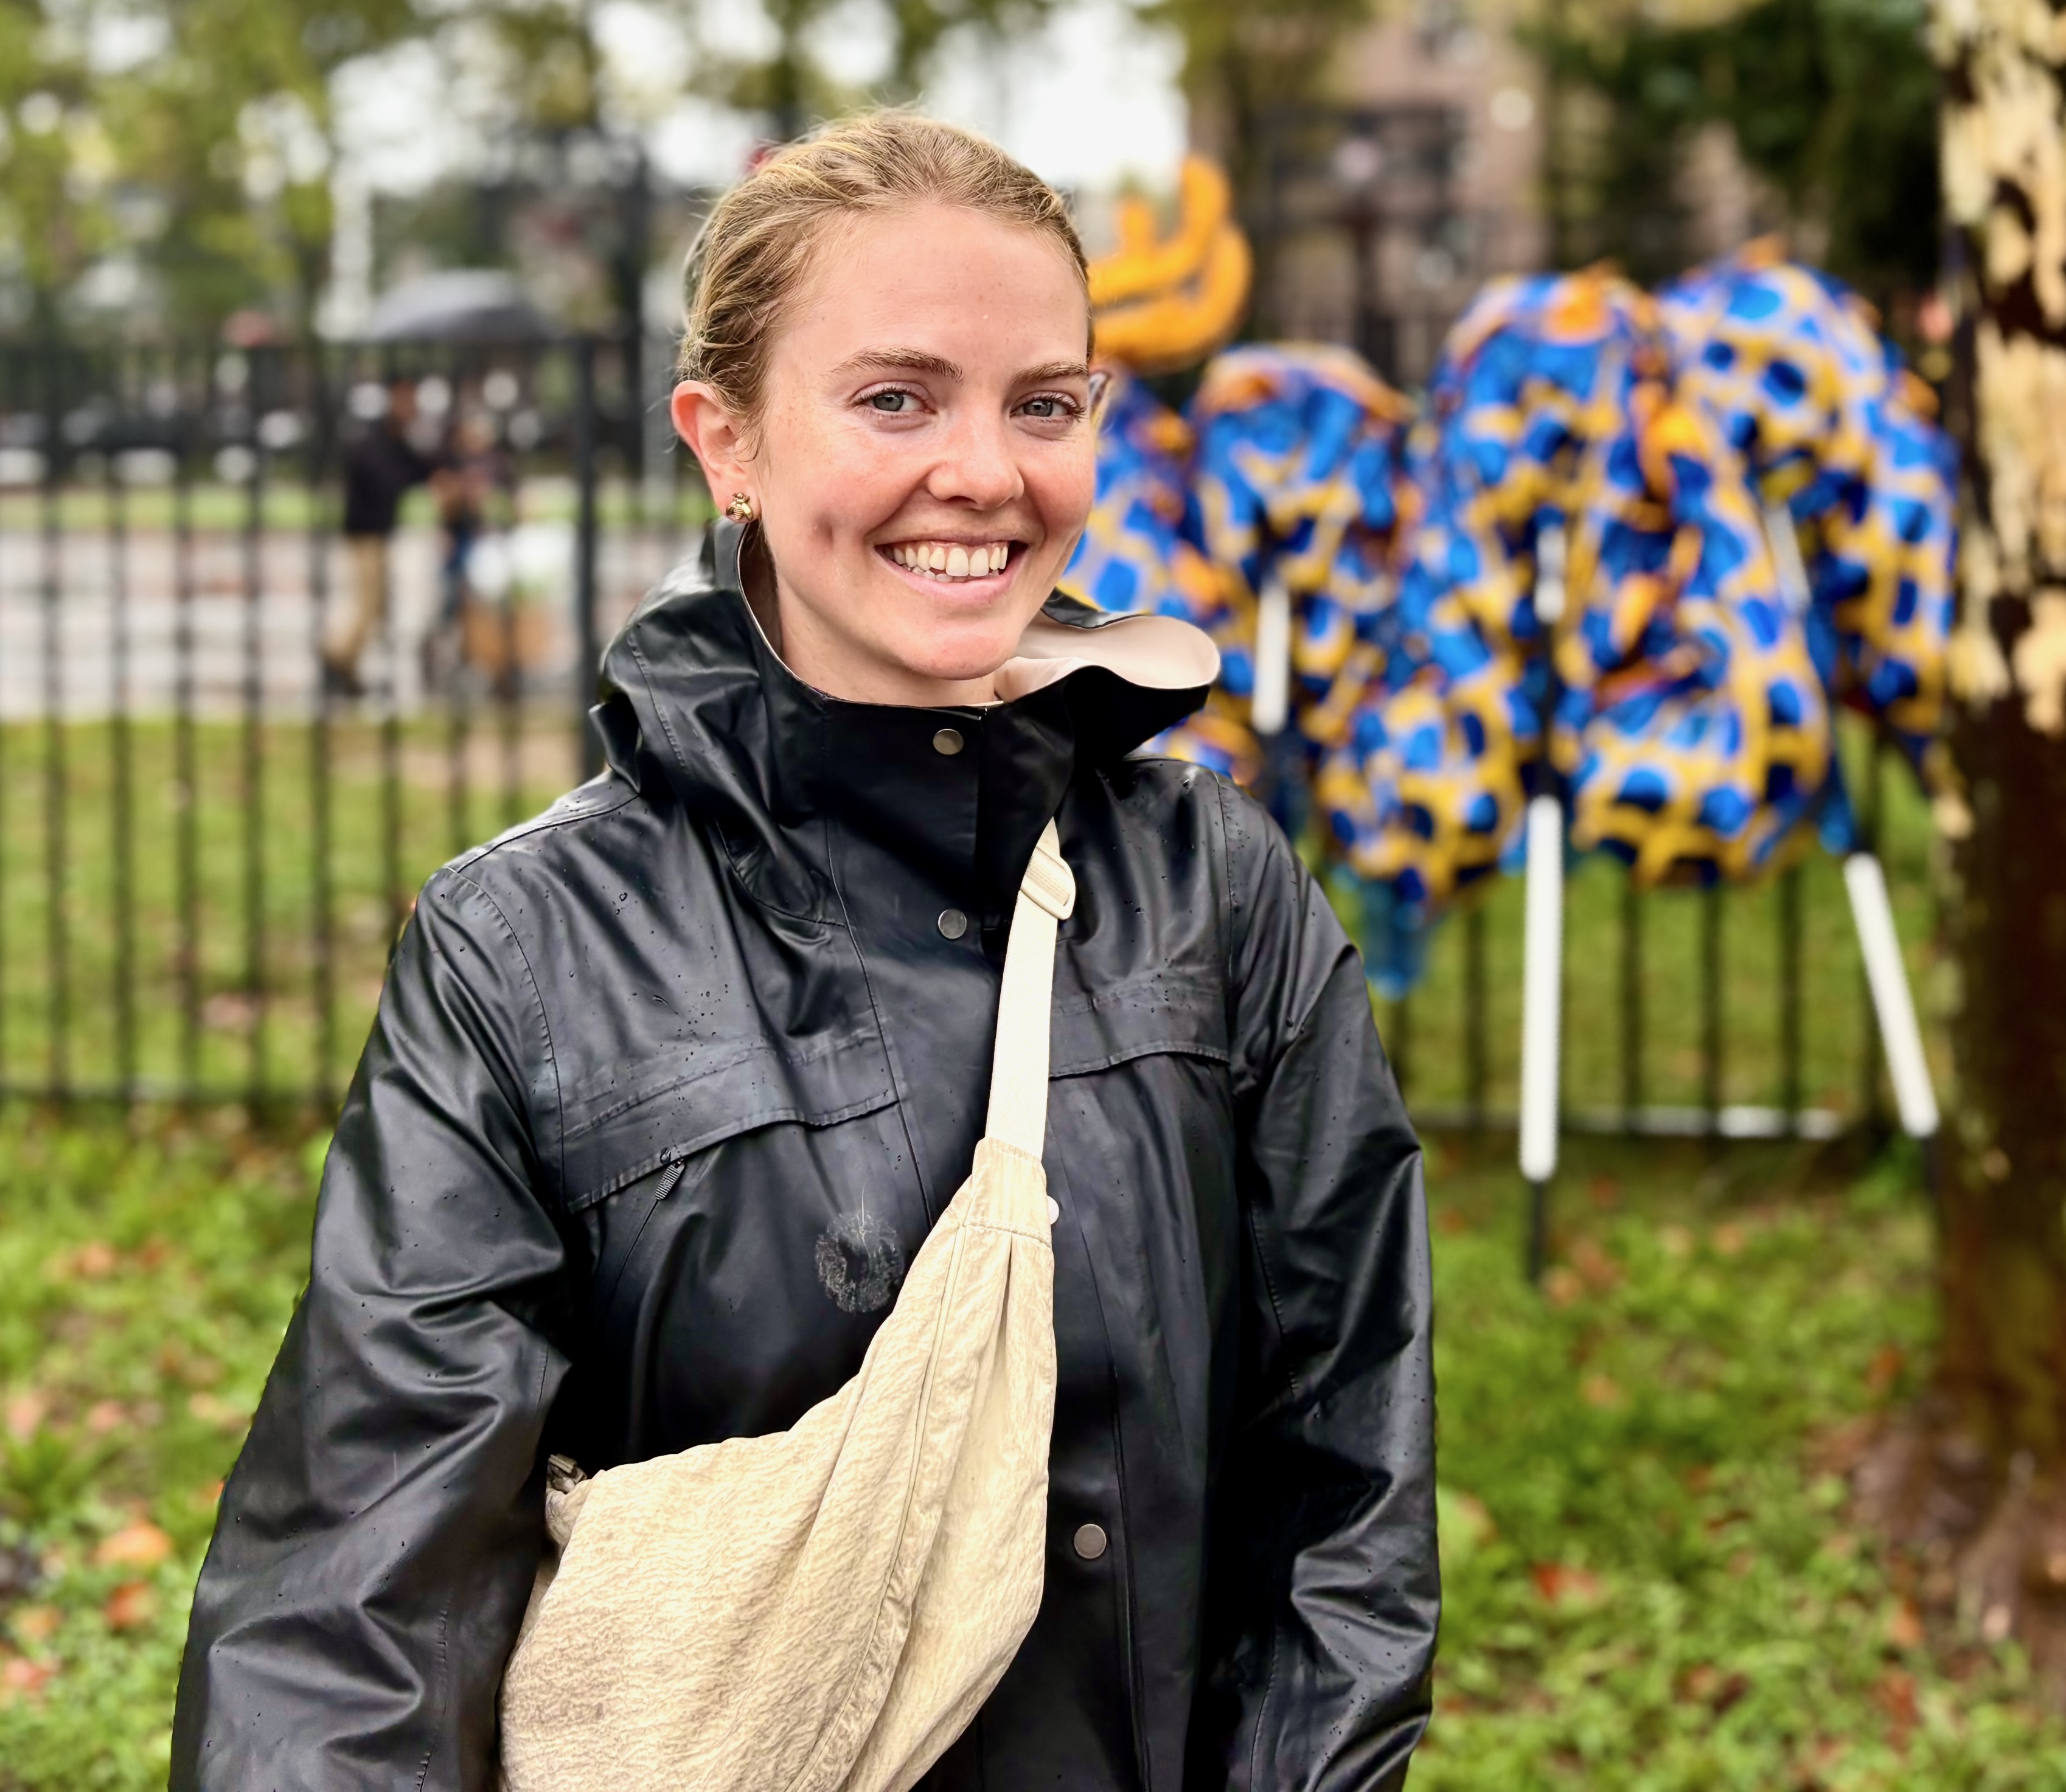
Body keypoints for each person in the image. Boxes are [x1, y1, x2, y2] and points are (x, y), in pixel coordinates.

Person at [172, 113, 1439, 1791]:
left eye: (1043, 403)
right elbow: (355, 1611)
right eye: (897, 398)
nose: (983, 470)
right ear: (729, 443)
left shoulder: (1217, 889)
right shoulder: (525, 955)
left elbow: (1344, 1487)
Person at [319, 377, 425, 699]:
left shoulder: (396, 440)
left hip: (377, 533)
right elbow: (389, 480)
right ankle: (337, 657)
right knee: (369, 603)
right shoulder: (376, 441)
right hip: (365, 534)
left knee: (376, 605)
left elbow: (418, 469)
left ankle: (346, 667)